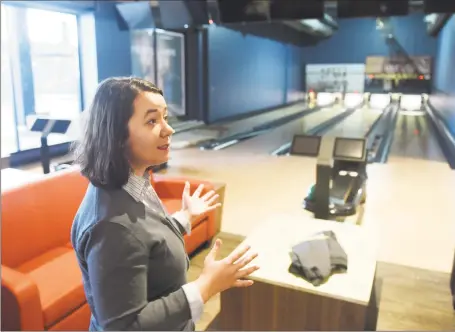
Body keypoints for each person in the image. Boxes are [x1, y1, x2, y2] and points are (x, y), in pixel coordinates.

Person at [70, 77, 259, 331]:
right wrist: (206, 286)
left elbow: (143, 241)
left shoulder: (132, 181)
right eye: (152, 120)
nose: (168, 129)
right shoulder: (111, 225)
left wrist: (184, 217)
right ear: (116, 134)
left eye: (165, 117)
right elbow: (124, 326)